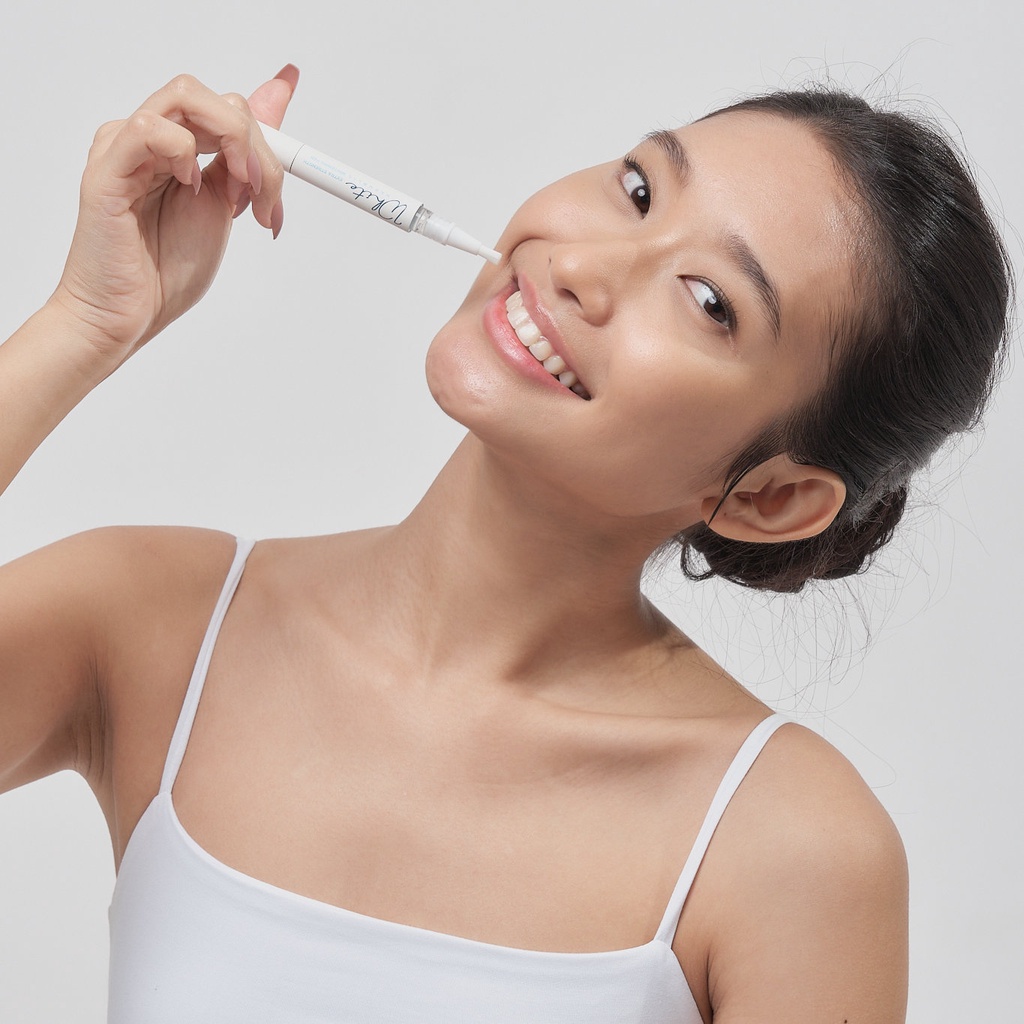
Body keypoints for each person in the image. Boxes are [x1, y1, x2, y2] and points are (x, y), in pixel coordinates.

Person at [0, 64, 1011, 1023]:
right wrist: (82, 324)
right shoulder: (155, 623)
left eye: (710, 302)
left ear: (773, 498)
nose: (579, 266)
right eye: (638, 190)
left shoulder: (789, 848)